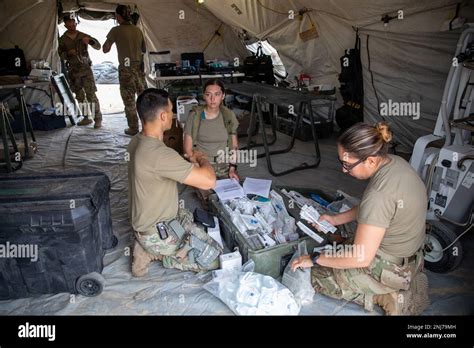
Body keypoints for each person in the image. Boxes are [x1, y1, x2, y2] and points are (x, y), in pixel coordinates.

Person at [291, 122, 430, 315]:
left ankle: (384, 294)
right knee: (339, 248)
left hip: (391, 266)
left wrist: (314, 259)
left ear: (371, 161)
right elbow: (373, 209)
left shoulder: (379, 195)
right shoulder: (395, 162)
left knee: (316, 276)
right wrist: (336, 219)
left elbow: (361, 257)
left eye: (347, 165)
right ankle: (396, 282)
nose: (343, 170)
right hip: (412, 255)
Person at [128, 88, 222, 276]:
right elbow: (209, 181)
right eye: (171, 111)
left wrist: (185, 161)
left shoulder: (138, 141)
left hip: (150, 221)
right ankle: (154, 254)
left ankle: (148, 245)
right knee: (214, 258)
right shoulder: (159, 154)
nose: (173, 115)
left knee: (186, 215)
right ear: (163, 116)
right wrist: (201, 157)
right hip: (156, 233)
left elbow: (161, 166)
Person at [184, 79, 240, 181]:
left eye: (217, 94)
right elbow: (188, 150)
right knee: (207, 194)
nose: (212, 99)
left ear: (223, 96)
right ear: (204, 96)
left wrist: (232, 169)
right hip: (202, 164)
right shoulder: (195, 116)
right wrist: (197, 167)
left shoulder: (228, 115)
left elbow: (234, 147)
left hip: (224, 166)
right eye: (208, 94)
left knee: (234, 193)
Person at [103, 4, 146, 136]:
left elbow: (105, 49)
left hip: (126, 71)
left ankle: (133, 128)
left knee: (129, 100)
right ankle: (148, 128)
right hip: (139, 70)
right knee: (143, 100)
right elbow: (144, 49)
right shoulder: (138, 31)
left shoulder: (115, 30)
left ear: (118, 16)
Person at [58, 15, 103, 128]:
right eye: (69, 23)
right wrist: (68, 54)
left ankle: (97, 118)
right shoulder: (62, 40)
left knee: (91, 95)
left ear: (76, 23)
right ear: (65, 25)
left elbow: (98, 46)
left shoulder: (83, 35)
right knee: (79, 96)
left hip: (85, 70)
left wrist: (90, 41)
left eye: (73, 23)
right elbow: (59, 55)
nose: (72, 25)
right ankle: (86, 117)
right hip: (73, 71)